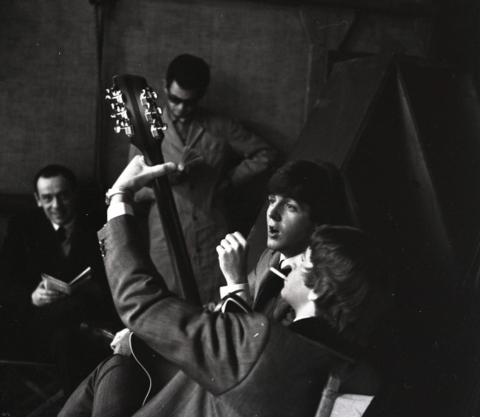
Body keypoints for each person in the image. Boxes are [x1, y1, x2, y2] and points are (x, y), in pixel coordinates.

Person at [59, 156, 384, 417]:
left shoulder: (266, 348)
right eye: (272, 200)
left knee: (114, 368)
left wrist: (120, 196)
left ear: (320, 287)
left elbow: (140, 300)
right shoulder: (358, 372)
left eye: (304, 261)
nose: (294, 263)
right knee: (117, 366)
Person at [130, 53, 276, 304]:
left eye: (190, 102)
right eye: (175, 99)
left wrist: (229, 180)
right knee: (170, 306)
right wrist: (164, 182)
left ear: (202, 94)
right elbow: (133, 189)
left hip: (212, 234)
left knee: (217, 306)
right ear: (165, 86)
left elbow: (266, 154)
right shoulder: (146, 129)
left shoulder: (220, 126)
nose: (181, 108)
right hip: (166, 237)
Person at [0, 164, 118, 397]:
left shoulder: (97, 224)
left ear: (74, 194)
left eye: (63, 196)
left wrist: (97, 288)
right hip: (37, 326)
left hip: (75, 331)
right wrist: (32, 296)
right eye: (47, 198)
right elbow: (1, 281)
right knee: (70, 329)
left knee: (66, 339)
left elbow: (117, 276)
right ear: (37, 200)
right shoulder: (23, 228)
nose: (56, 206)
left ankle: (74, 411)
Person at [218, 159, 349, 324]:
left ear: (318, 224)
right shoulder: (272, 255)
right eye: (272, 200)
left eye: (290, 206)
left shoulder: (314, 286)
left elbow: (259, 345)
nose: (272, 212)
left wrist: (235, 281)